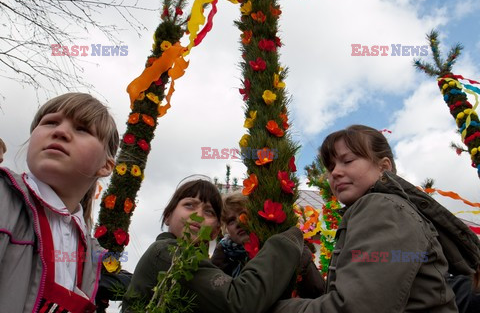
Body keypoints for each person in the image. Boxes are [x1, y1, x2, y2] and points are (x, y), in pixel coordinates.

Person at [269, 124, 480, 313]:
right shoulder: (379, 209)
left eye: (348, 161)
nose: (335, 173)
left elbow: (353, 308)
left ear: (384, 167)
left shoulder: (383, 207)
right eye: (331, 167)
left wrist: (269, 307)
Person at [0, 93, 119, 312]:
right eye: (50, 122)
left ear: (106, 166)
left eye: (82, 129)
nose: (60, 131)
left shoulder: (91, 254)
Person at [122, 177, 309, 313]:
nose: (198, 215)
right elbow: (239, 301)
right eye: (189, 205)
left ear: (215, 231)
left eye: (209, 211)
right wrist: (289, 239)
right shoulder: (166, 254)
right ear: (168, 215)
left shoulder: (206, 262)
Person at [211, 191, 324, 298]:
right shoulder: (222, 257)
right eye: (231, 221)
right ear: (225, 229)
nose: (239, 223)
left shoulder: (289, 247)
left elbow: (318, 293)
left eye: (244, 215)